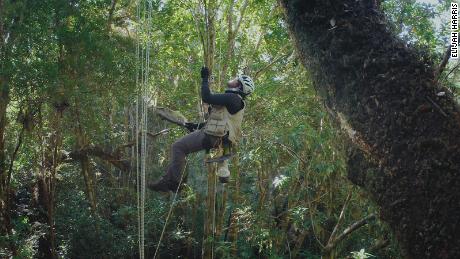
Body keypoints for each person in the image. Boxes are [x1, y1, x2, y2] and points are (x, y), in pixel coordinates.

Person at [148, 67, 255, 192]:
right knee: (180, 147)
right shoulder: (234, 101)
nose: (233, 80)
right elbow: (218, 122)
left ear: (240, 87)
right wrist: (195, 126)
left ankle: (174, 183)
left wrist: (204, 78)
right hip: (217, 137)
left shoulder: (233, 98)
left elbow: (206, 97)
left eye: (237, 81)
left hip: (214, 137)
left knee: (178, 147)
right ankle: (169, 181)